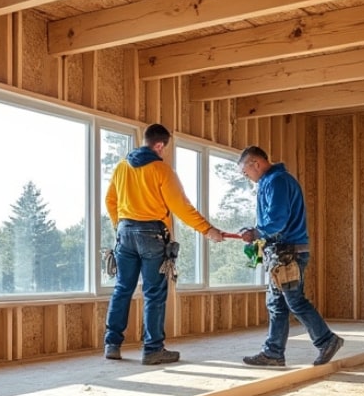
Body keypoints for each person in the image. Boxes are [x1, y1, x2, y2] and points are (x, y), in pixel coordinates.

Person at [104, 124, 224, 365]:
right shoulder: (162, 170)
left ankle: (112, 344)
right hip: (152, 234)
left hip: (125, 233)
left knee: (122, 288)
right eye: (165, 149)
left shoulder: (121, 167)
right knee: (154, 293)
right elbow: (181, 206)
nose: (164, 153)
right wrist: (207, 229)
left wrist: (120, 226)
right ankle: (152, 349)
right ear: (159, 145)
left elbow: (110, 200)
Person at [236, 146, 344, 367]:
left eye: (245, 172)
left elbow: (277, 221)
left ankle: (327, 340)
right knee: (277, 303)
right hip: (282, 251)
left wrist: (256, 232)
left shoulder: (277, 181)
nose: (246, 177)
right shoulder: (272, 181)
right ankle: (273, 352)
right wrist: (257, 231)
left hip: (288, 252)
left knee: (294, 300)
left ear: (256, 163)